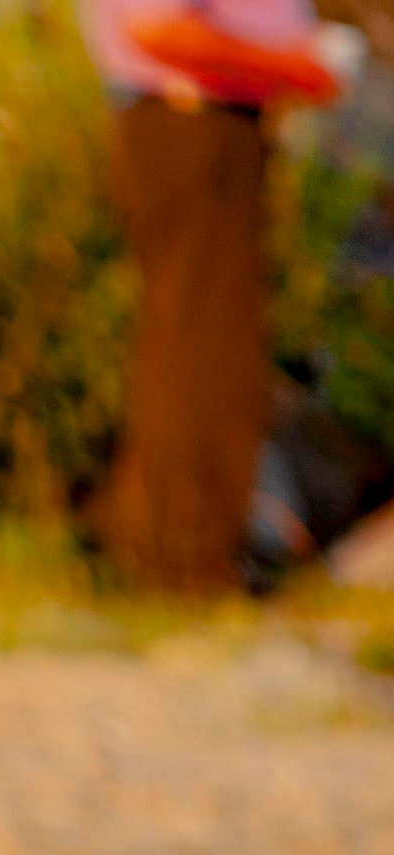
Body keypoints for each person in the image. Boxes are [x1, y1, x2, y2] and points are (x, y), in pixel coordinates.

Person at [85, 0, 339, 590]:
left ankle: (188, 551)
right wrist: (293, 64)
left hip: (209, 122)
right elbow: (158, 25)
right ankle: (184, 558)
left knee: (205, 339)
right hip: (192, 118)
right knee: (199, 343)